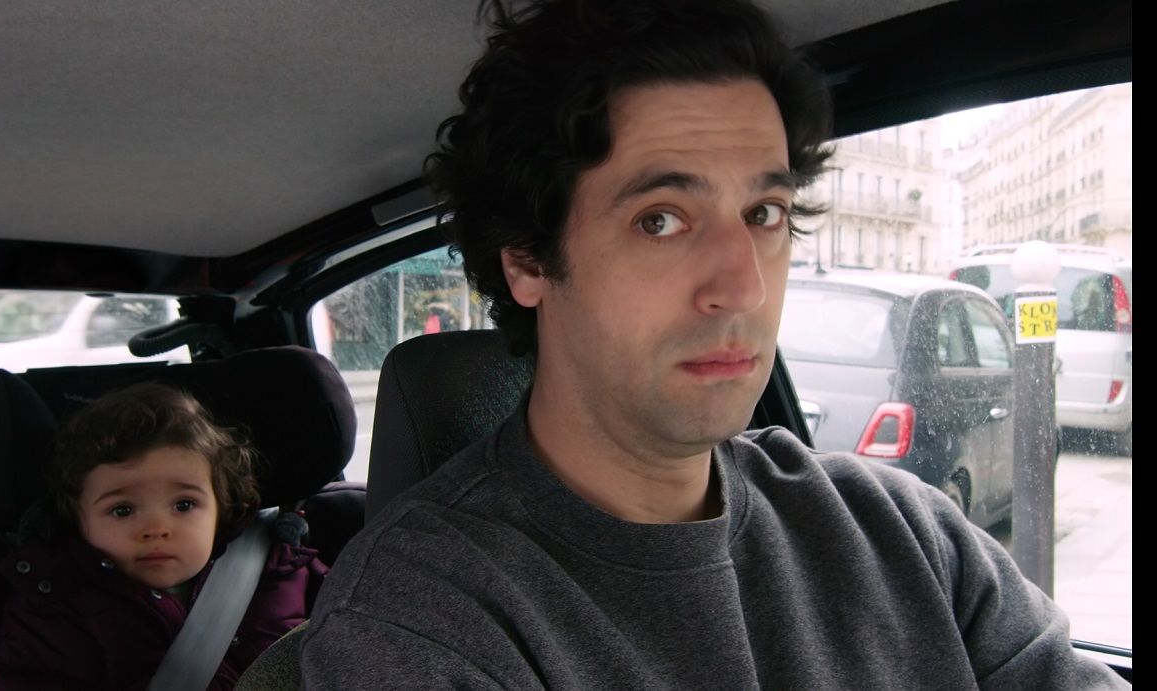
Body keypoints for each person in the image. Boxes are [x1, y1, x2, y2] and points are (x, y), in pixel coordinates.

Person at [298, 0, 1128, 688]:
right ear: (527, 259)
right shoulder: (422, 619)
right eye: (661, 219)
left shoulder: (904, 533)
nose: (745, 287)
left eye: (764, 213)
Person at [0, 381, 328, 691]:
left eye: (184, 505)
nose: (156, 528)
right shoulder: (54, 605)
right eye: (122, 510)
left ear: (221, 508)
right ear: (79, 521)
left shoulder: (282, 570)